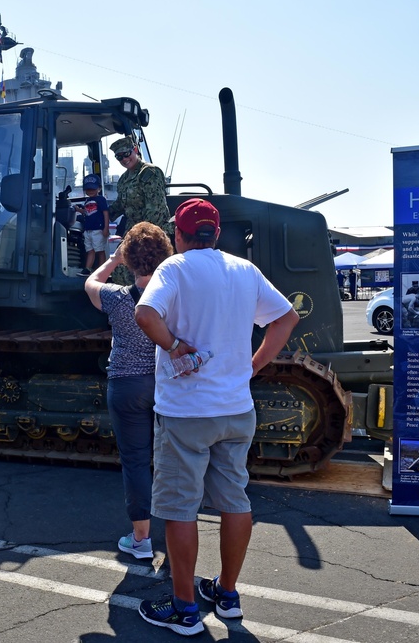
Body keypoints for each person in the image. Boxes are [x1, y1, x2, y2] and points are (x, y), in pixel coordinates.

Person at [134, 198, 299, 636]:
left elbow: (145, 314)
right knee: (234, 501)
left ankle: (185, 609)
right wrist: (254, 365)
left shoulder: (174, 269)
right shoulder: (244, 270)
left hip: (186, 413)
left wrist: (173, 346)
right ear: (217, 232)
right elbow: (287, 318)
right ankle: (227, 595)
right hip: (236, 410)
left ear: (180, 236)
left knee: (180, 508)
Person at [84, 222, 173, 560]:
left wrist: (114, 259)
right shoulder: (173, 297)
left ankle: (141, 540)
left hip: (127, 385)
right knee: (171, 460)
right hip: (167, 385)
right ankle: (176, 532)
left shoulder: (117, 299)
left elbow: (90, 283)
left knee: (136, 461)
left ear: (132, 260)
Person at [107, 136, 171, 284]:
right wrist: (100, 215)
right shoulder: (124, 179)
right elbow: (121, 205)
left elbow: (155, 210)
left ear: (135, 150)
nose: (124, 159)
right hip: (133, 230)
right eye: (119, 157)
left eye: (126, 154)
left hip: (152, 232)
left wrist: (142, 237)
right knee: (119, 269)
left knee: (136, 271)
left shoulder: (149, 173)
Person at [75, 173, 110, 276]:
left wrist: (105, 228)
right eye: (88, 189)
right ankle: (87, 269)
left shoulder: (101, 200)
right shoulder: (87, 201)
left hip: (97, 229)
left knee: (100, 250)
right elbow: (87, 212)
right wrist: (78, 210)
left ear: (99, 188)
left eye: (93, 189)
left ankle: (102, 271)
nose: (90, 191)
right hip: (88, 230)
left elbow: (105, 213)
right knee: (90, 250)